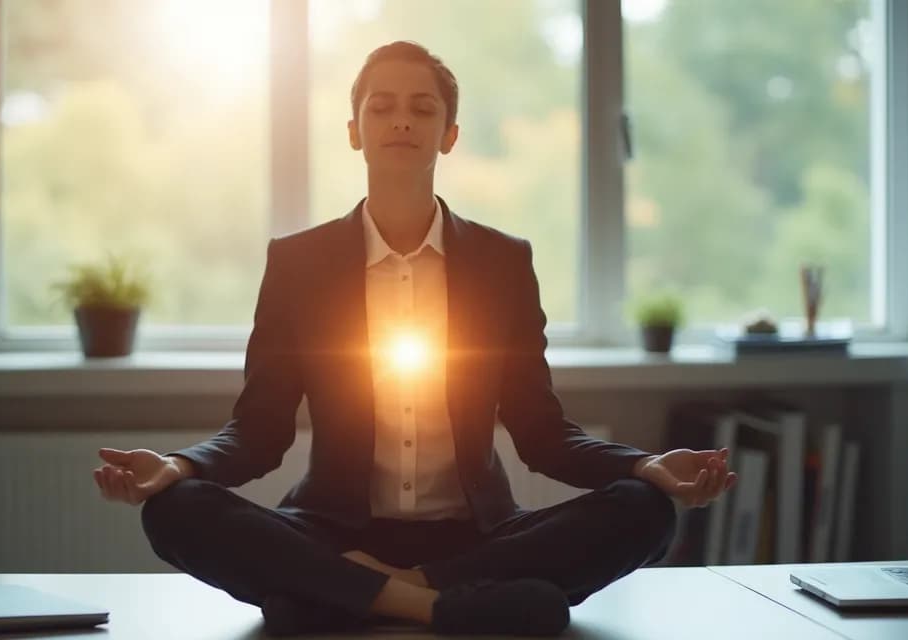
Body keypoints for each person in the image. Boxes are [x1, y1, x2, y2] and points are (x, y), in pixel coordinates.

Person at [92, 40, 737, 637]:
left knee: (647, 510)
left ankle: (345, 597)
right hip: (332, 531)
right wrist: (177, 466)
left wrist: (644, 466)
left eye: (422, 108)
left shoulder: (502, 262)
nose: (402, 120)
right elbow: (258, 433)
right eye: (383, 107)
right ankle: (437, 606)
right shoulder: (298, 263)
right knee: (174, 509)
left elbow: (542, 434)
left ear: (449, 134)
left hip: (477, 538)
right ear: (355, 130)